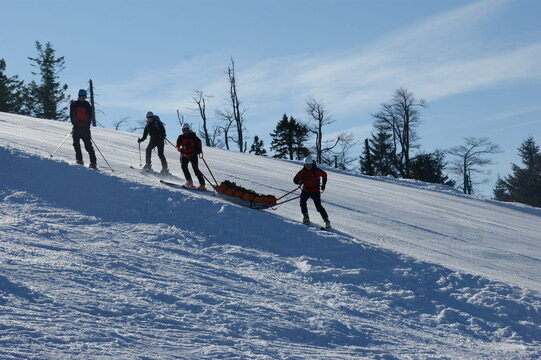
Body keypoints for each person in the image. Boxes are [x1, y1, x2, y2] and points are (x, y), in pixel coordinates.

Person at [293, 156, 331, 228]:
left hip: (315, 191)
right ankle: (306, 216)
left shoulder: (316, 171)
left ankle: (326, 220)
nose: (308, 166)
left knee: (318, 206)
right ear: (305, 164)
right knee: (302, 202)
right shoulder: (303, 171)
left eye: (310, 164)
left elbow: (324, 175)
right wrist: (300, 182)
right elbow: (295, 180)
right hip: (305, 190)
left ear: (312, 164)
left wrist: (323, 185)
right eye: (307, 165)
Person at [70, 89, 97, 169]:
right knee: (76, 145)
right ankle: (79, 160)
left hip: (85, 129)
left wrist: (87, 125)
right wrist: (74, 124)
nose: (83, 98)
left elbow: (90, 116)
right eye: (82, 97)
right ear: (79, 96)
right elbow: (72, 115)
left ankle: (93, 163)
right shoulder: (74, 104)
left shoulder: (87, 105)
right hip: (76, 127)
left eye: (84, 97)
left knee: (88, 146)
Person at [176, 123, 205, 189]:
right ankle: (189, 182)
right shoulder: (180, 137)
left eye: (186, 130)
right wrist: (179, 149)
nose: (185, 131)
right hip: (185, 155)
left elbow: (199, 143)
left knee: (196, 169)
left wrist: (199, 151)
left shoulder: (193, 136)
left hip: (193, 155)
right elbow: (177, 146)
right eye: (183, 130)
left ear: (189, 130)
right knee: (184, 167)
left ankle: (202, 185)